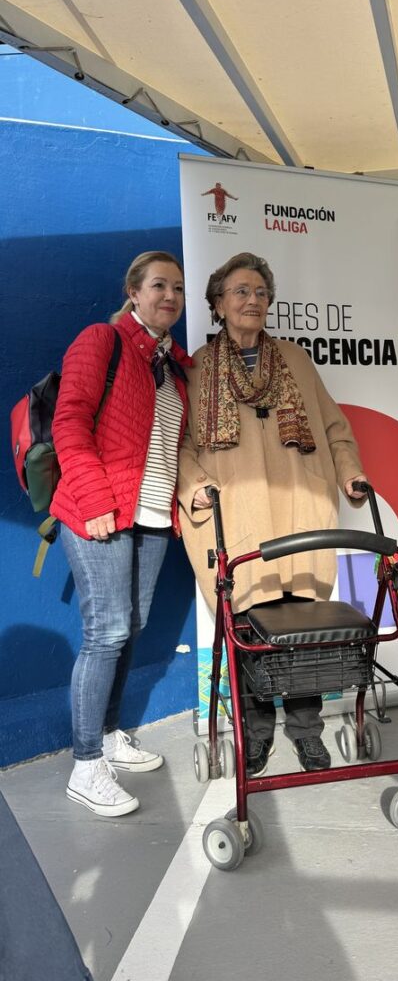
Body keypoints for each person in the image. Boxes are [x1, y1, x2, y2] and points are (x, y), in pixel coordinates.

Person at [178, 252, 367, 777]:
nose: (253, 300)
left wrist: (350, 472)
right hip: (238, 517)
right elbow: (182, 445)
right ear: (218, 304)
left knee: (305, 630)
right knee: (248, 629)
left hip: (299, 511)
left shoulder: (296, 359)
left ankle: (307, 733)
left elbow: (334, 428)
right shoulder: (197, 368)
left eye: (261, 293)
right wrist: (195, 486)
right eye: (241, 291)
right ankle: (256, 735)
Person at [51, 251, 192, 817]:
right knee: (106, 631)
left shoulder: (173, 364)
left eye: (178, 288)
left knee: (129, 627)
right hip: (101, 510)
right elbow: (69, 421)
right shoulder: (102, 341)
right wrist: (94, 500)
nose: (170, 296)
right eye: (158, 285)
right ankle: (86, 765)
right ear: (133, 291)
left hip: (151, 515)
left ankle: (109, 734)